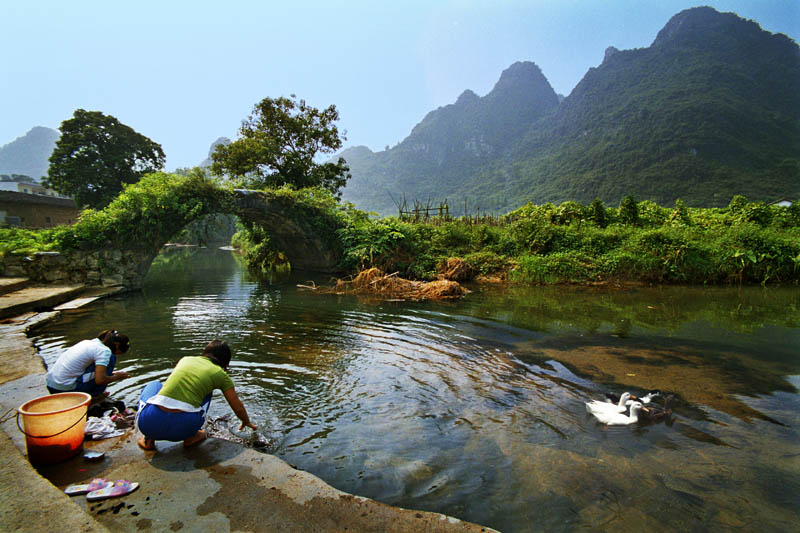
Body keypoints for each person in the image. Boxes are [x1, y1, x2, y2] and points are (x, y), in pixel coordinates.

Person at [136, 340, 257, 450]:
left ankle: (148, 440)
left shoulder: (185, 359)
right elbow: (237, 406)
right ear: (225, 361)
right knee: (206, 390)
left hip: (148, 424)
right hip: (184, 429)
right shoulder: (220, 374)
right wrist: (245, 421)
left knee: (154, 384)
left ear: (205, 353)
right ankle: (192, 437)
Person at [45, 330, 131, 399]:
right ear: (117, 345)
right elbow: (100, 380)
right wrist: (117, 377)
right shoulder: (105, 351)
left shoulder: (88, 342)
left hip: (51, 385)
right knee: (111, 358)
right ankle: (95, 395)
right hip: (64, 389)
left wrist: (112, 374)